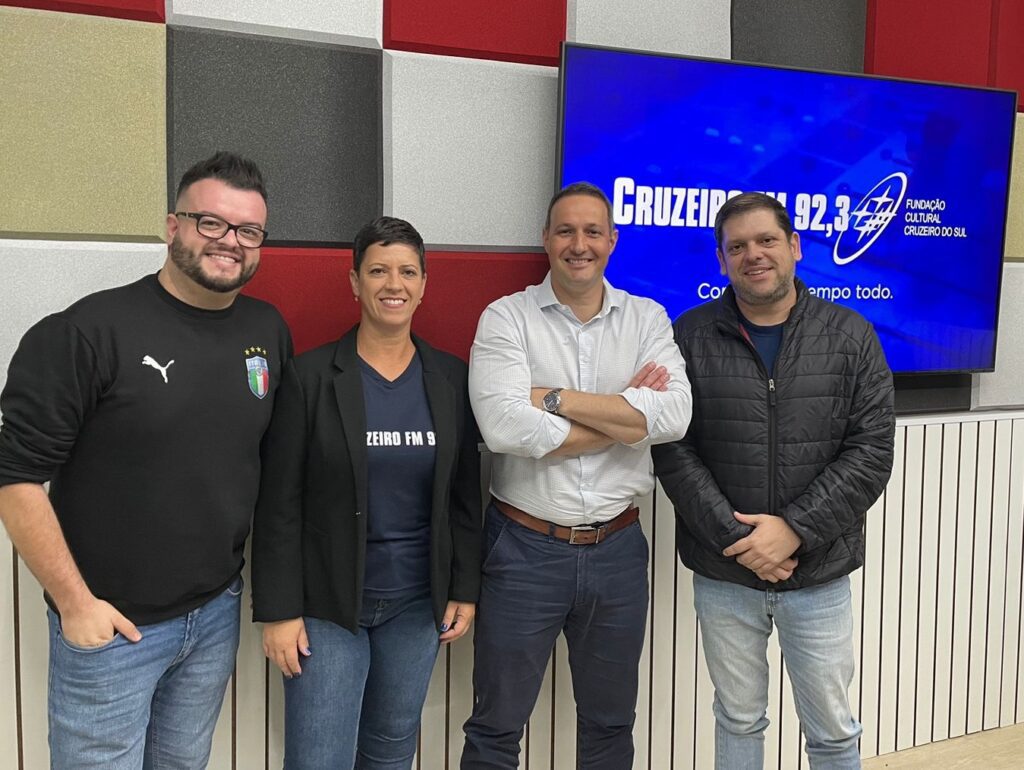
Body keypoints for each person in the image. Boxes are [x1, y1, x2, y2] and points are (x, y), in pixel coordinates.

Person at [0, 151, 291, 768]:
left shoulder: (266, 330)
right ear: (172, 226)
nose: (230, 241)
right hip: (112, 629)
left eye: (249, 231)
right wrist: (76, 604)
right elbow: (15, 477)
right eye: (211, 222)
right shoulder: (86, 332)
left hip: (214, 613)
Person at [652, 192, 895, 769]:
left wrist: (793, 532)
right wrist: (741, 541)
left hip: (818, 572)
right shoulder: (689, 336)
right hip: (725, 573)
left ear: (794, 247)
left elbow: (870, 450)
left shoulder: (851, 335)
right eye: (737, 246)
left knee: (833, 732)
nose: (753, 255)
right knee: (738, 719)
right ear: (721, 261)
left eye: (766, 240)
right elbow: (673, 446)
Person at [461, 182, 692, 769]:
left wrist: (553, 397)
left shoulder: (646, 318)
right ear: (545, 239)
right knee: (495, 727)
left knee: (610, 725)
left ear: (612, 240)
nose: (579, 244)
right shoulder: (506, 317)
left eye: (593, 231)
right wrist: (625, 415)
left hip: (618, 550)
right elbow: (504, 429)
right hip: (523, 550)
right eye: (565, 231)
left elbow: (674, 417)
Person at [251, 215, 482, 770]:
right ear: (354, 282)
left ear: (424, 284)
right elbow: (278, 503)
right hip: (327, 607)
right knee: (319, 758)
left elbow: (464, 496)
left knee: (390, 752)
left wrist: (464, 587)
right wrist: (278, 611)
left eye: (407, 272)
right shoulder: (309, 378)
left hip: (416, 605)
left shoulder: (451, 379)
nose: (393, 284)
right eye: (378, 271)